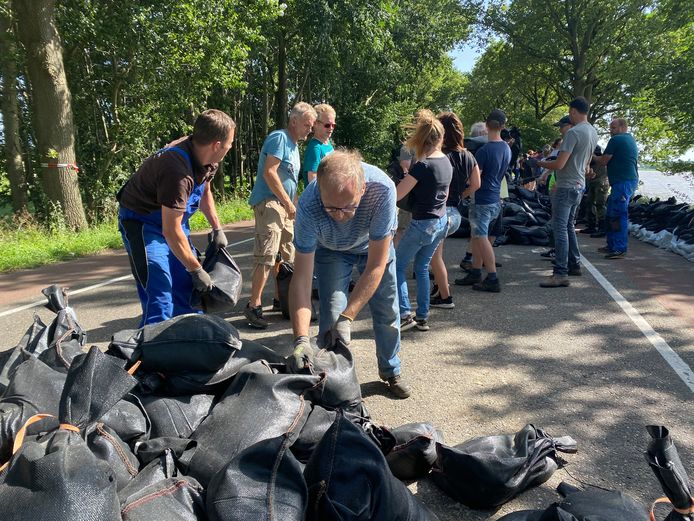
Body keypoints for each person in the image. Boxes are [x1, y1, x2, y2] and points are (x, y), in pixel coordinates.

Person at [288, 150, 412, 398]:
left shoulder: (383, 190)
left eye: (348, 207)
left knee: (387, 311)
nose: (341, 216)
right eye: (332, 208)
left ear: (363, 188)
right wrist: (301, 338)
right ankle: (330, 380)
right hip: (331, 250)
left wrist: (350, 316)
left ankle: (391, 370)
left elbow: (376, 265)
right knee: (331, 318)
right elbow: (301, 278)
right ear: (319, 191)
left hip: (375, 247)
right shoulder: (309, 205)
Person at [117, 109, 235, 326]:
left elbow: (205, 190)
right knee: (160, 289)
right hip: (143, 224)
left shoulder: (207, 157)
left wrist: (217, 228)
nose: (230, 149)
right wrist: (197, 268)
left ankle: (188, 343)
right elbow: (170, 232)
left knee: (186, 287)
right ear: (216, 145)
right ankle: (154, 354)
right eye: (229, 145)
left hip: (174, 222)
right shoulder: (177, 171)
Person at [244, 102, 317, 328]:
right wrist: (287, 202)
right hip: (271, 204)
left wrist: (293, 206)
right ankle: (253, 306)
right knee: (266, 255)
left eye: (312, 126)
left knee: (287, 256)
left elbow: (290, 182)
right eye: (307, 124)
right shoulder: (280, 138)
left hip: (285, 207)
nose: (310, 129)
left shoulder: (294, 146)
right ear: (293, 121)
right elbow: (269, 172)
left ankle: (281, 299)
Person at [395, 109, 452, 330]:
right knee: (421, 266)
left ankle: (404, 314)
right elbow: (445, 194)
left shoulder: (422, 166)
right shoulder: (446, 162)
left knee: (397, 266)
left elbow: (398, 194)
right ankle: (423, 315)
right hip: (441, 221)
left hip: (422, 223)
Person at [536, 97, 598, 287]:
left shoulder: (573, 133)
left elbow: (560, 164)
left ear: (572, 111)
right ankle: (575, 263)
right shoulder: (593, 132)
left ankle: (560, 273)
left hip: (566, 185)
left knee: (560, 227)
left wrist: (540, 163)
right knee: (569, 225)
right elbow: (587, 165)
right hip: (579, 185)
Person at [455, 109, 511, 293]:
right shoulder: (506, 148)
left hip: (482, 200)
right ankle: (476, 272)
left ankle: (492, 277)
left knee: (480, 237)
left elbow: (474, 180)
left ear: (487, 125)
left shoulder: (484, 151)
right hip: (495, 198)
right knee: (479, 237)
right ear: (503, 126)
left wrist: (461, 194)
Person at [429, 112, 480, 309]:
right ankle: (438, 288)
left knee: (434, 257)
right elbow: (476, 183)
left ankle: (445, 296)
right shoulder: (469, 156)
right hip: (456, 213)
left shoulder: (440, 157)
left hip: (439, 211)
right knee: (435, 255)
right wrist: (460, 196)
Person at [591, 118, 639, 258]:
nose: (610, 131)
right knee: (611, 213)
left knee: (618, 214)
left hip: (623, 182)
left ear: (623, 127)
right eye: (610, 128)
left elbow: (603, 161)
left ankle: (619, 248)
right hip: (625, 181)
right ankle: (612, 245)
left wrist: (590, 155)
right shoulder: (629, 139)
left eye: (613, 128)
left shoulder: (616, 140)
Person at [301, 103, 336, 185]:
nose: (331, 128)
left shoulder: (327, 143)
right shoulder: (315, 148)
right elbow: (312, 180)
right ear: (315, 123)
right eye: (327, 125)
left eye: (333, 125)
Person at [580, 145, 609, 236]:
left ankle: (602, 228)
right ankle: (592, 226)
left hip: (600, 183)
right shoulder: (594, 160)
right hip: (593, 183)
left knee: (600, 204)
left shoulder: (599, 159)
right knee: (590, 203)